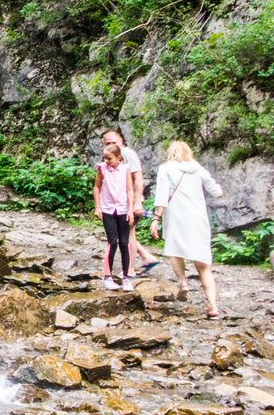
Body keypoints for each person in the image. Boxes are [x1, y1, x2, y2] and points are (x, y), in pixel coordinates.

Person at [149, 141, 224, 318]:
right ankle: (213, 307)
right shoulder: (197, 168)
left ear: (171, 153)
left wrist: (156, 218)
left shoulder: (166, 168)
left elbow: (162, 195)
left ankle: (183, 282)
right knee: (203, 264)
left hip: (176, 217)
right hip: (197, 218)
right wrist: (219, 192)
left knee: (175, 251)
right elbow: (215, 189)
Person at [101, 130, 161, 277]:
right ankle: (147, 257)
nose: (111, 145)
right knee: (123, 233)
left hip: (130, 202)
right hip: (117, 203)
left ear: (121, 141)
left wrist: (137, 202)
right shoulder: (110, 155)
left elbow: (138, 178)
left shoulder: (127, 154)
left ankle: (130, 269)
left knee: (128, 235)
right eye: (108, 143)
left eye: (114, 142)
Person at [94, 144, 136, 291]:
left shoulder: (125, 169)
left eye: (109, 158)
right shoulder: (102, 168)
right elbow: (97, 186)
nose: (106, 161)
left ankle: (126, 278)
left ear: (118, 157)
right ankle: (107, 277)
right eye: (104, 158)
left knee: (124, 242)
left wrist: (131, 210)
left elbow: (129, 189)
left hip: (123, 209)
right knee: (112, 242)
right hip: (108, 209)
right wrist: (97, 206)